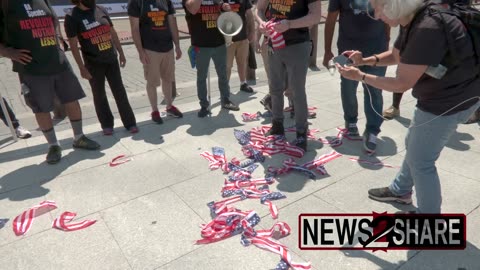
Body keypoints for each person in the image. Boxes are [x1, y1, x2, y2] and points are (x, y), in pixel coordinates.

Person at [337, 0, 480, 213]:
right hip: (456, 93)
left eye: (378, 8)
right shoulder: (413, 15)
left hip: (448, 101)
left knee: (421, 162)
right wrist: (365, 60)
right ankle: (400, 189)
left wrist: (360, 76)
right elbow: (397, 55)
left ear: (394, 4)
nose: (376, 17)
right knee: (413, 141)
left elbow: (401, 83)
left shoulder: (427, 27)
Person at [0, 0, 100, 165]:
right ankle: (53, 146)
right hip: (31, 67)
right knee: (41, 108)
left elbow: (53, 19)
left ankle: (79, 137)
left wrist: (58, 37)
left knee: (71, 98)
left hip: (58, 61)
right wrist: (7, 51)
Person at [323, 0, 390, 154]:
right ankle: (351, 121)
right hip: (346, 50)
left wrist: (386, 39)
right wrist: (327, 50)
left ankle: (372, 130)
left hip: (377, 50)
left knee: (375, 90)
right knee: (347, 86)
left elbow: (387, 16)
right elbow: (331, 19)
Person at [255, 0, 322, 150]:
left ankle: (301, 133)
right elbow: (258, 9)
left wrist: (289, 24)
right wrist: (262, 24)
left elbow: (316, 16)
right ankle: (277, 125)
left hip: (297, 44)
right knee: (275, 88)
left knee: (297, 91)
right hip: (274, 43)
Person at [65, 0, 138, 136]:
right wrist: (81, 68)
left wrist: (121, 53)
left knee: (120, 92)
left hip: (111, 60)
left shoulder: (101, 9)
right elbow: (73, 45)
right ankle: (107, 124)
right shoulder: (72, 17)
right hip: (93, 63)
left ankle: (130, 123)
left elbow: (112, 32)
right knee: (99, 95)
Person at [128, 0, 183, 123]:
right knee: (152, 82)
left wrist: (177, 45)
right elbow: (135, 28)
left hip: (168, 47)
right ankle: (154, 110)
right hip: (150, 49)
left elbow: (172, 23)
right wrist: (141, 51)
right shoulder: (136, 2)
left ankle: (169, 106)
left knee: (168, 79)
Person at [183, 0, 240, 117]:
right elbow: (193, 9)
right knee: (201, 77)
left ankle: (225, 99)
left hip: (219, 42)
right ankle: (204, 105)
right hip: (201, 44)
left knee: (223, 73)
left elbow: (225, 10)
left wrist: (225, 6)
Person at [225, 0, 256, 94]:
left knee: (242, 63)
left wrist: (252, 31)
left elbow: (250, 15)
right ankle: (225, 87)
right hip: (227, 39)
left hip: (242, 37)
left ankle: (243, 83)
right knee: (227, 65)